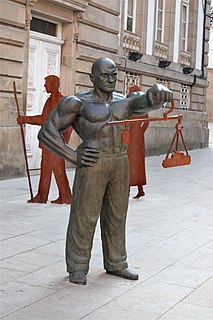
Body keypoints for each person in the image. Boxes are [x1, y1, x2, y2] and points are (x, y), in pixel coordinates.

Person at [38, 58, 173, 285]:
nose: (110, 80)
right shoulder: (77, 103)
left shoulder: (124, 102)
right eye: (104, 76)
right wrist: (73, 155)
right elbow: (47, 132)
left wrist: (157, 93)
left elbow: (146, 102)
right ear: (92, 78)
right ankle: (78, 266)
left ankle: (117, 263)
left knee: (117, 215)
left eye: (113, 75)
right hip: (93, 162)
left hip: (119, 161)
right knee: (85, 215)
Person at [17, 75, 72, 204]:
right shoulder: (50, 101)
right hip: (50, 141)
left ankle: (62, 196)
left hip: (55, 142)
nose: (44, 86)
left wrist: (26, 119)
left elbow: (45, 120)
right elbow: (45, 119)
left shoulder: (61, 102)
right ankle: (52, 196)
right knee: (48, 168)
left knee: (56, 169)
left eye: (46, 83)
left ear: (53, 84)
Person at [127, 86, 149, 199]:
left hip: (137, 139)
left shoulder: (142, 108)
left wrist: (140, 132)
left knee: (137, 164)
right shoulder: (130, 107)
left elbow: (146, 122)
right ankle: (131, 189)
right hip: (131, 138)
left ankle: (137, 189)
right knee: (130, 163)